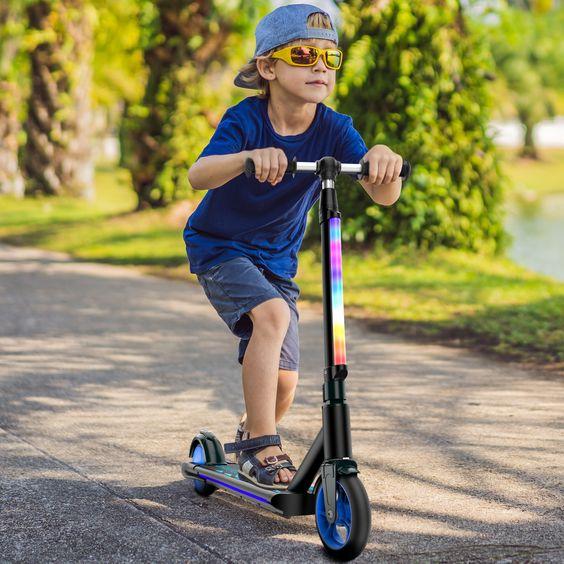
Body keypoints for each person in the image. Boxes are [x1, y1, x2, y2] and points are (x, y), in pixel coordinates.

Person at [184, 3, 403, 489]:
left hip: (276, 263)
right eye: (303, 55)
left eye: (330, 58)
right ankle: (264, 443)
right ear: (268, 67)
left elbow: (383, 194)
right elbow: (198, 174)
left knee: (284, 381)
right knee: (273, 318)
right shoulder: (245, 120)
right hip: (221, 247)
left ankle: (248, 434)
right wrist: (245, 158)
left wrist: (382, 160)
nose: (319, 67)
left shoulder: (334, 128)